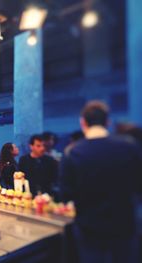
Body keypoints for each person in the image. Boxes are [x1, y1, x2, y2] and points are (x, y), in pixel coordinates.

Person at [60, 101, 142, 263]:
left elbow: (65, 195)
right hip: (124, 225)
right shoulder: (129, 147)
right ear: (107, 122)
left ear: (83, 122)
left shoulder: (72, 152)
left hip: (89, 229)